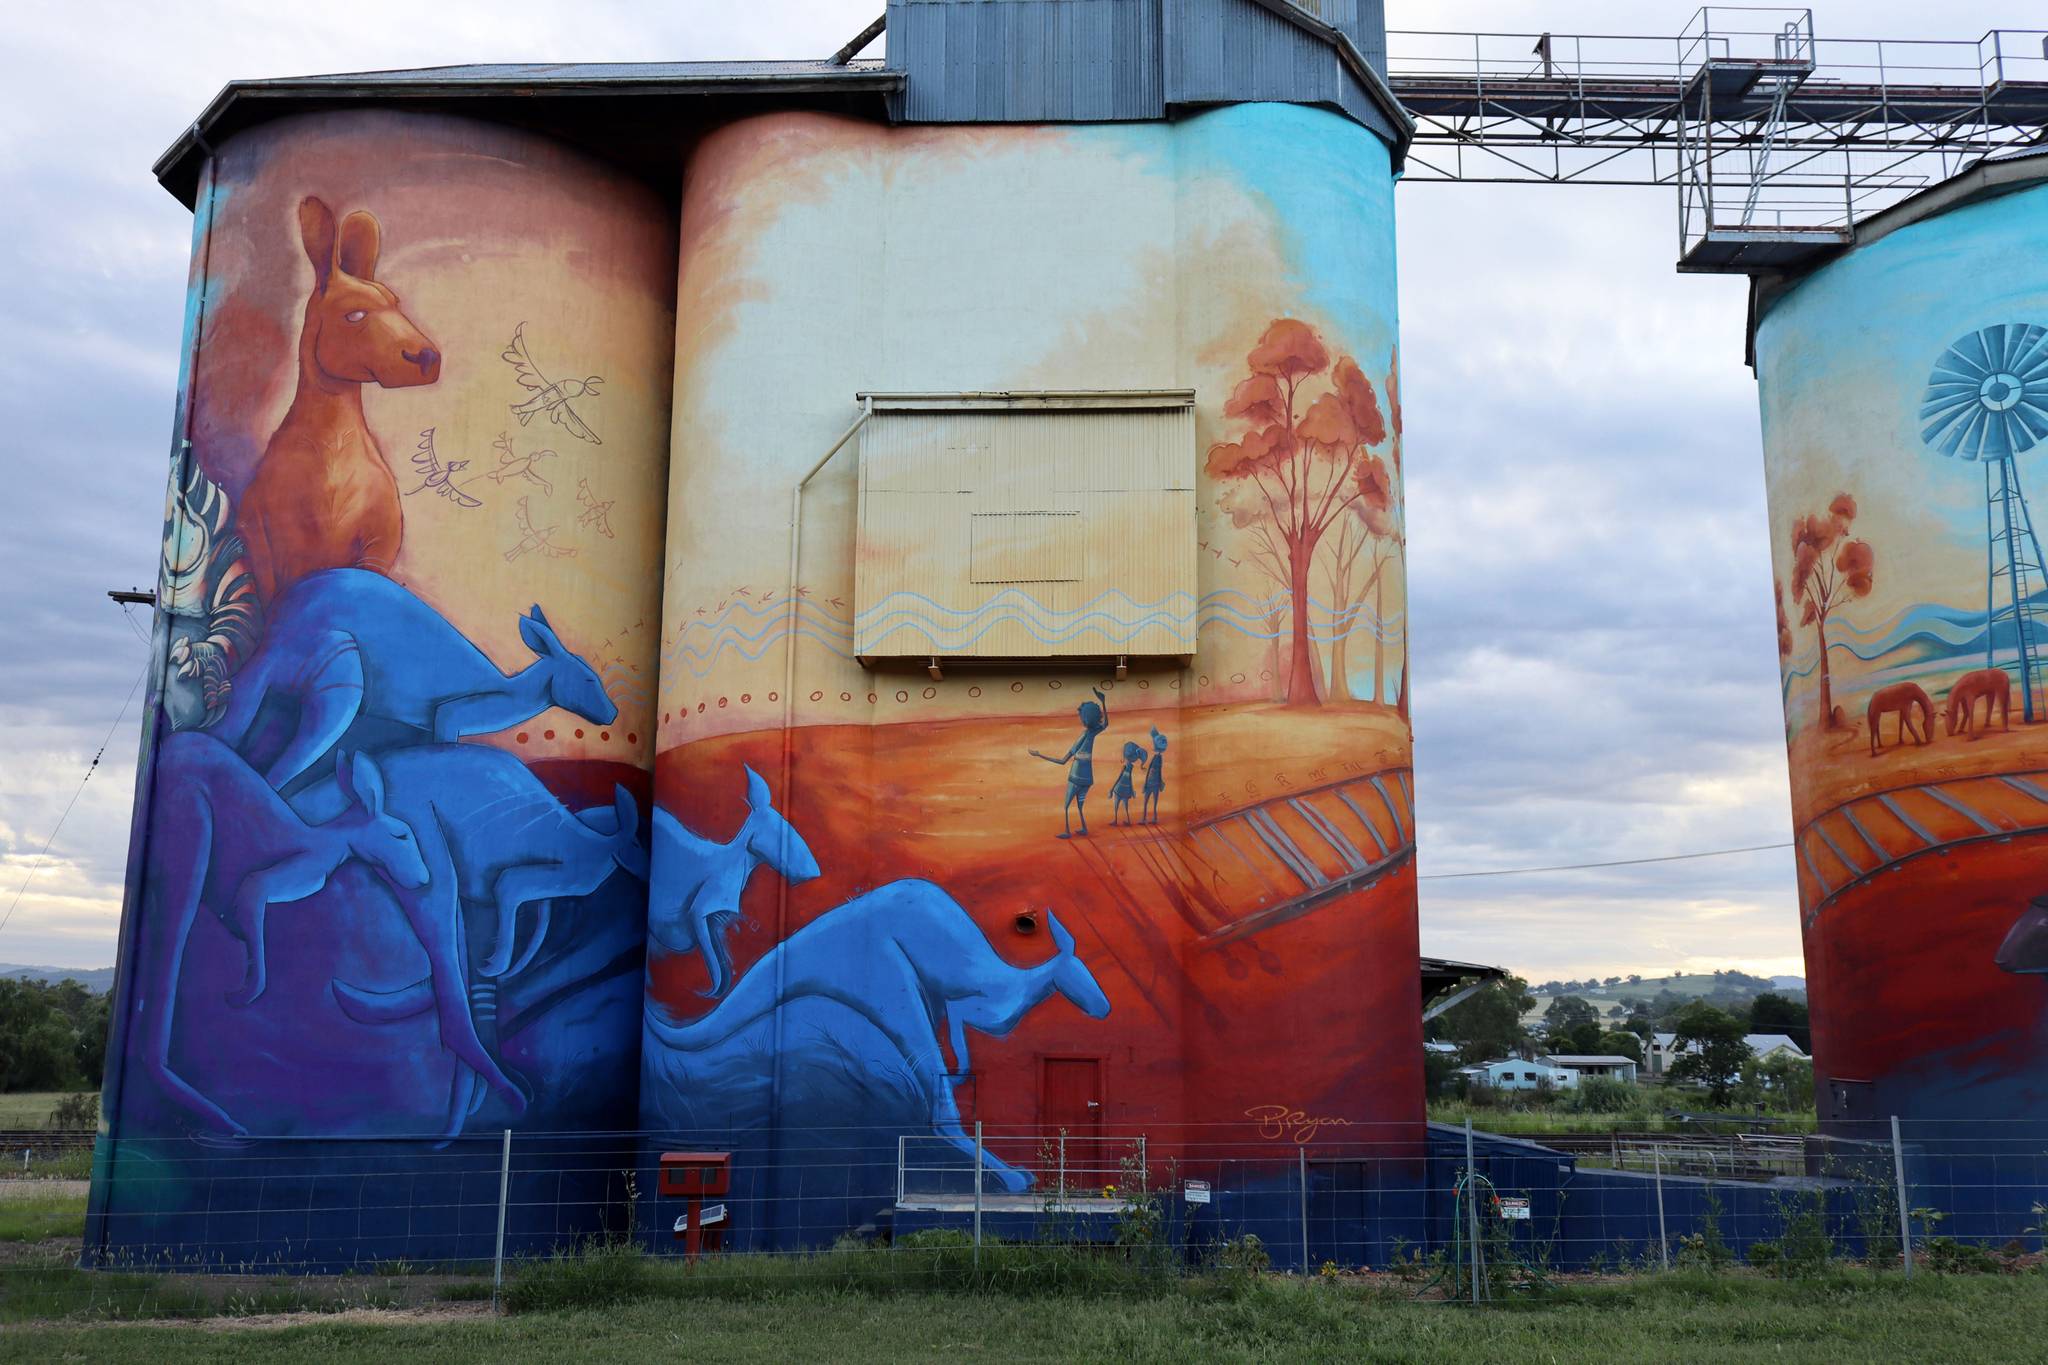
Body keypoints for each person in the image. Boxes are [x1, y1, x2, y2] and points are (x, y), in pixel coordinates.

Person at [1029, 687, 1109, 839]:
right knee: (1080, 804)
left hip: (1076, 775)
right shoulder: (1093, 732)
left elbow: (1063, 760)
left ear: (1085, 718)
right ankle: (1084, 828)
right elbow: (1106, 724)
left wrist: (1039, 755)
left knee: (1066, 805)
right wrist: (1103, 702)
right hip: (1088, 777)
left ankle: (1067, 831)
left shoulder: (1084, 735)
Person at [1109, 741, 1143, 826]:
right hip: (1126, 789)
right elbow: (1129, 779)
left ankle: (1116, 820)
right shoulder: (1130, 767)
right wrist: (1131, 790)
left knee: (1117, 805)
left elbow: (1119, 778)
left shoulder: (1124, 767)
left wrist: (1112, 788)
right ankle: (1127, 820)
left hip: (1120, 789)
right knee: (1125, 806)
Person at [1141, 725, 1167, 825]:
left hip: (1153, 783)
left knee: (1148, 802)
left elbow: (1156, 771)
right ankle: (1148, 818)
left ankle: (1149, 819)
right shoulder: (1157, 758)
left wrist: (1157, 781)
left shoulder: (1157, 758)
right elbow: (1154, 771)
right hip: (1152, 783)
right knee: (1150, 802)